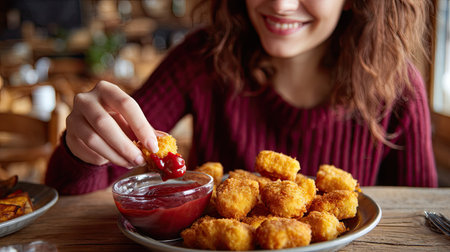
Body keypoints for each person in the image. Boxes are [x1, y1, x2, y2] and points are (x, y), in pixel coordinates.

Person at [45, 0, 438, 195]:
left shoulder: (399, 90)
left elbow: (420, 223)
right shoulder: (201, 59)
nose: (281, 4)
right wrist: (83, 150)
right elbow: (72, 193)